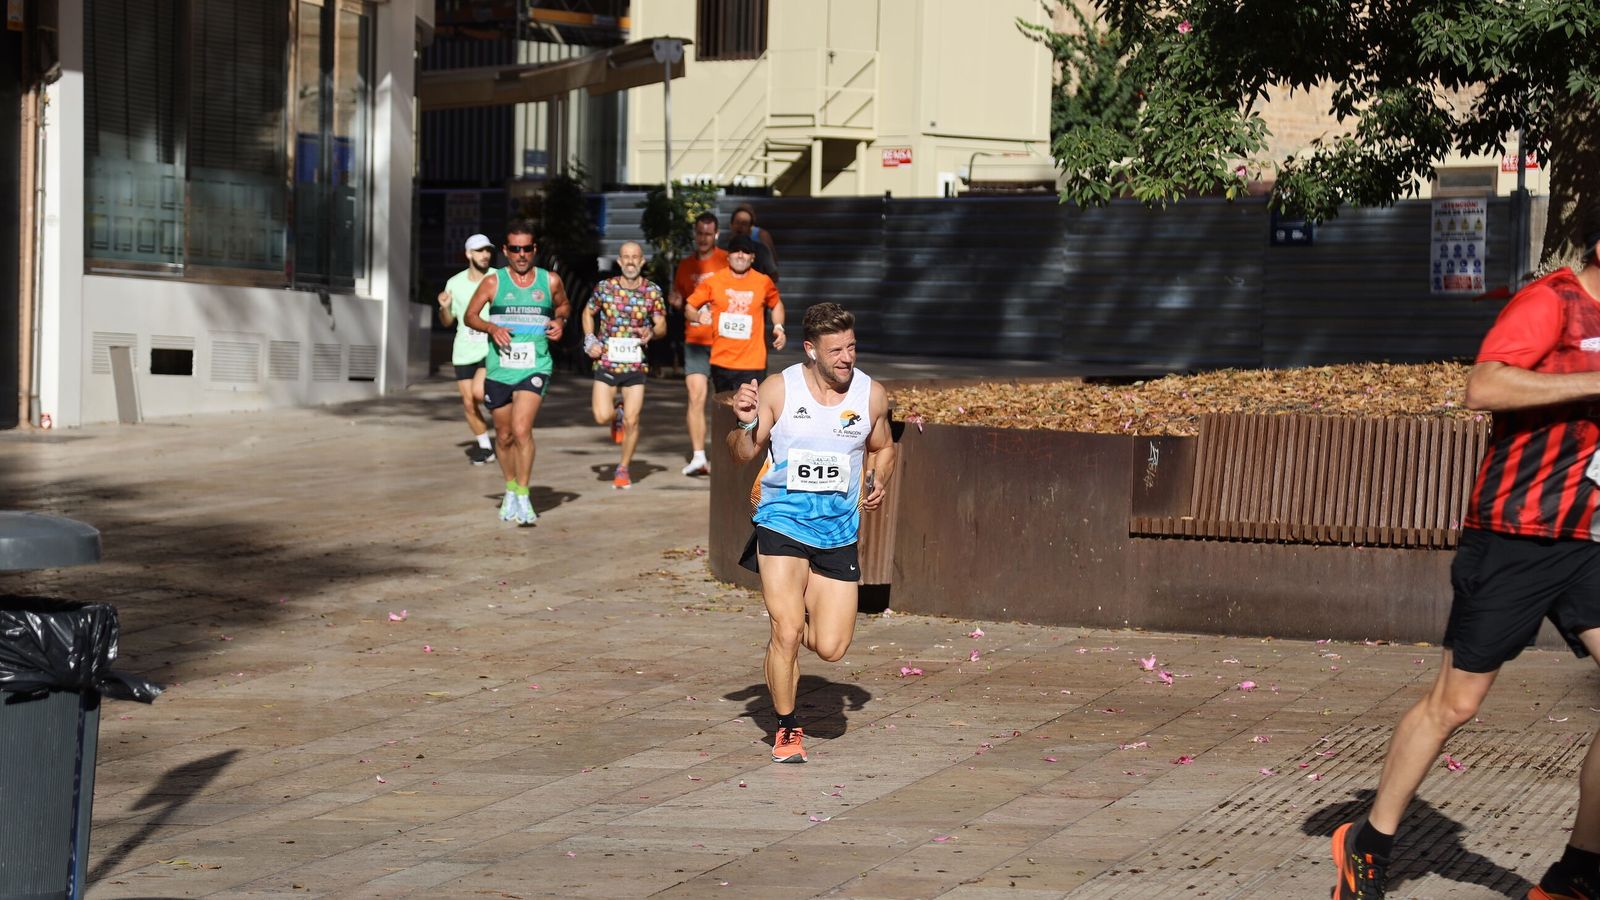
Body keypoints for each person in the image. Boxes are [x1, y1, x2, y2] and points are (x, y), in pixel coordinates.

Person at [1331, 204, 1600, 900]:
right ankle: (1371, 839)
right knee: (1456, 703)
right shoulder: (1553, 303)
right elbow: (1483, 386)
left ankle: (1578, 872)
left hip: (1591, 539)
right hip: (1514, 535)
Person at [725, 302, 895, 763]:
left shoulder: (870, 395)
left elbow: (883, 447)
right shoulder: (781, 389)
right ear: (810, 350)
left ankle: (794, 632)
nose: (846, 358)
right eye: (836, 349)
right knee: (786, 628)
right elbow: (742, 452)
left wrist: (877, 481)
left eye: (852, 347)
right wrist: (743, 421)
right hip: (780, 522)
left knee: (832, 647)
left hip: (838, 530)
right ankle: (786, 728)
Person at [463, 221, 570, 525]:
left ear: (534, 250)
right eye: (515, 249)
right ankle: (510, 487)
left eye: (527, 248)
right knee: (505, 435)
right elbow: (470, 316)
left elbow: (564, 306)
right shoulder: (493, 282)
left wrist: (560, 322)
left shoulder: (549, 281)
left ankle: (523, 493)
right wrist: (491, 327)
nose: (521, 255)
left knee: (522, 430)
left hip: (535, 365)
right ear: (506, 251)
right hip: (500, 369)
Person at [583, 242, 666, 490]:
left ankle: (623, 468)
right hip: (607, 360)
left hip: (635, 365)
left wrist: (651, 330)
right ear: (619, 261)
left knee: (633, 420)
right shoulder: (604, 288)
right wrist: (589, 339)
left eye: (635, 257)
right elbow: (588, 313)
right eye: (626, 257)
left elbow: (662, 326)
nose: (630, 261)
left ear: (642, 261)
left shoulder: (651, 291)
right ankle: (614, 414)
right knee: (601, 416)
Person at [687, 235, 786, 394]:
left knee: (750, 414)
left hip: (753, 363)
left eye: (745, 252)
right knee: (725, 413)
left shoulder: (763, 282)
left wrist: (779, 327)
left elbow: (777, 304)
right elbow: (690, 307)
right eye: (735, 251)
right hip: (721, 361)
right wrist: (698, 317)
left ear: (752, 257)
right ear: (728, 256)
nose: (740, 255)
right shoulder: (714, 281)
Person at [671, 212, 729, 476]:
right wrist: (674, 299)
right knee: (696, 397)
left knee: (726, 400)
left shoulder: (727, 260)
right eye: (699, 233)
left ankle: (728, 455)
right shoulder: (684, 265)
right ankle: (698, 457)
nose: (703, 238)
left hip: (724, 342)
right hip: (694, 339)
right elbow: (680, 296)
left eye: (708, 233)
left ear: (716, 235)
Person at [437, 234, 498, 465]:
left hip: (490, 346)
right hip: (463, 350)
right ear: (468, 254)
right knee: (468, 403)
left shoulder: (497, 278)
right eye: (480, 250)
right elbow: (446, 322)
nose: (485, 255)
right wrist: (444, 307)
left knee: (477, 392)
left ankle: (505, 420)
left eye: (488, 250)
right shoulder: (454, 282)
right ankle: (485, 447)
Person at [726, 203, 778, 281]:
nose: (740, 226)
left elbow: (774, 275)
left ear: (750, 228)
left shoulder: (761, 250)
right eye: (737, 222)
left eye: (744, 223)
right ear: (731, 225)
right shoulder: (722, 247)